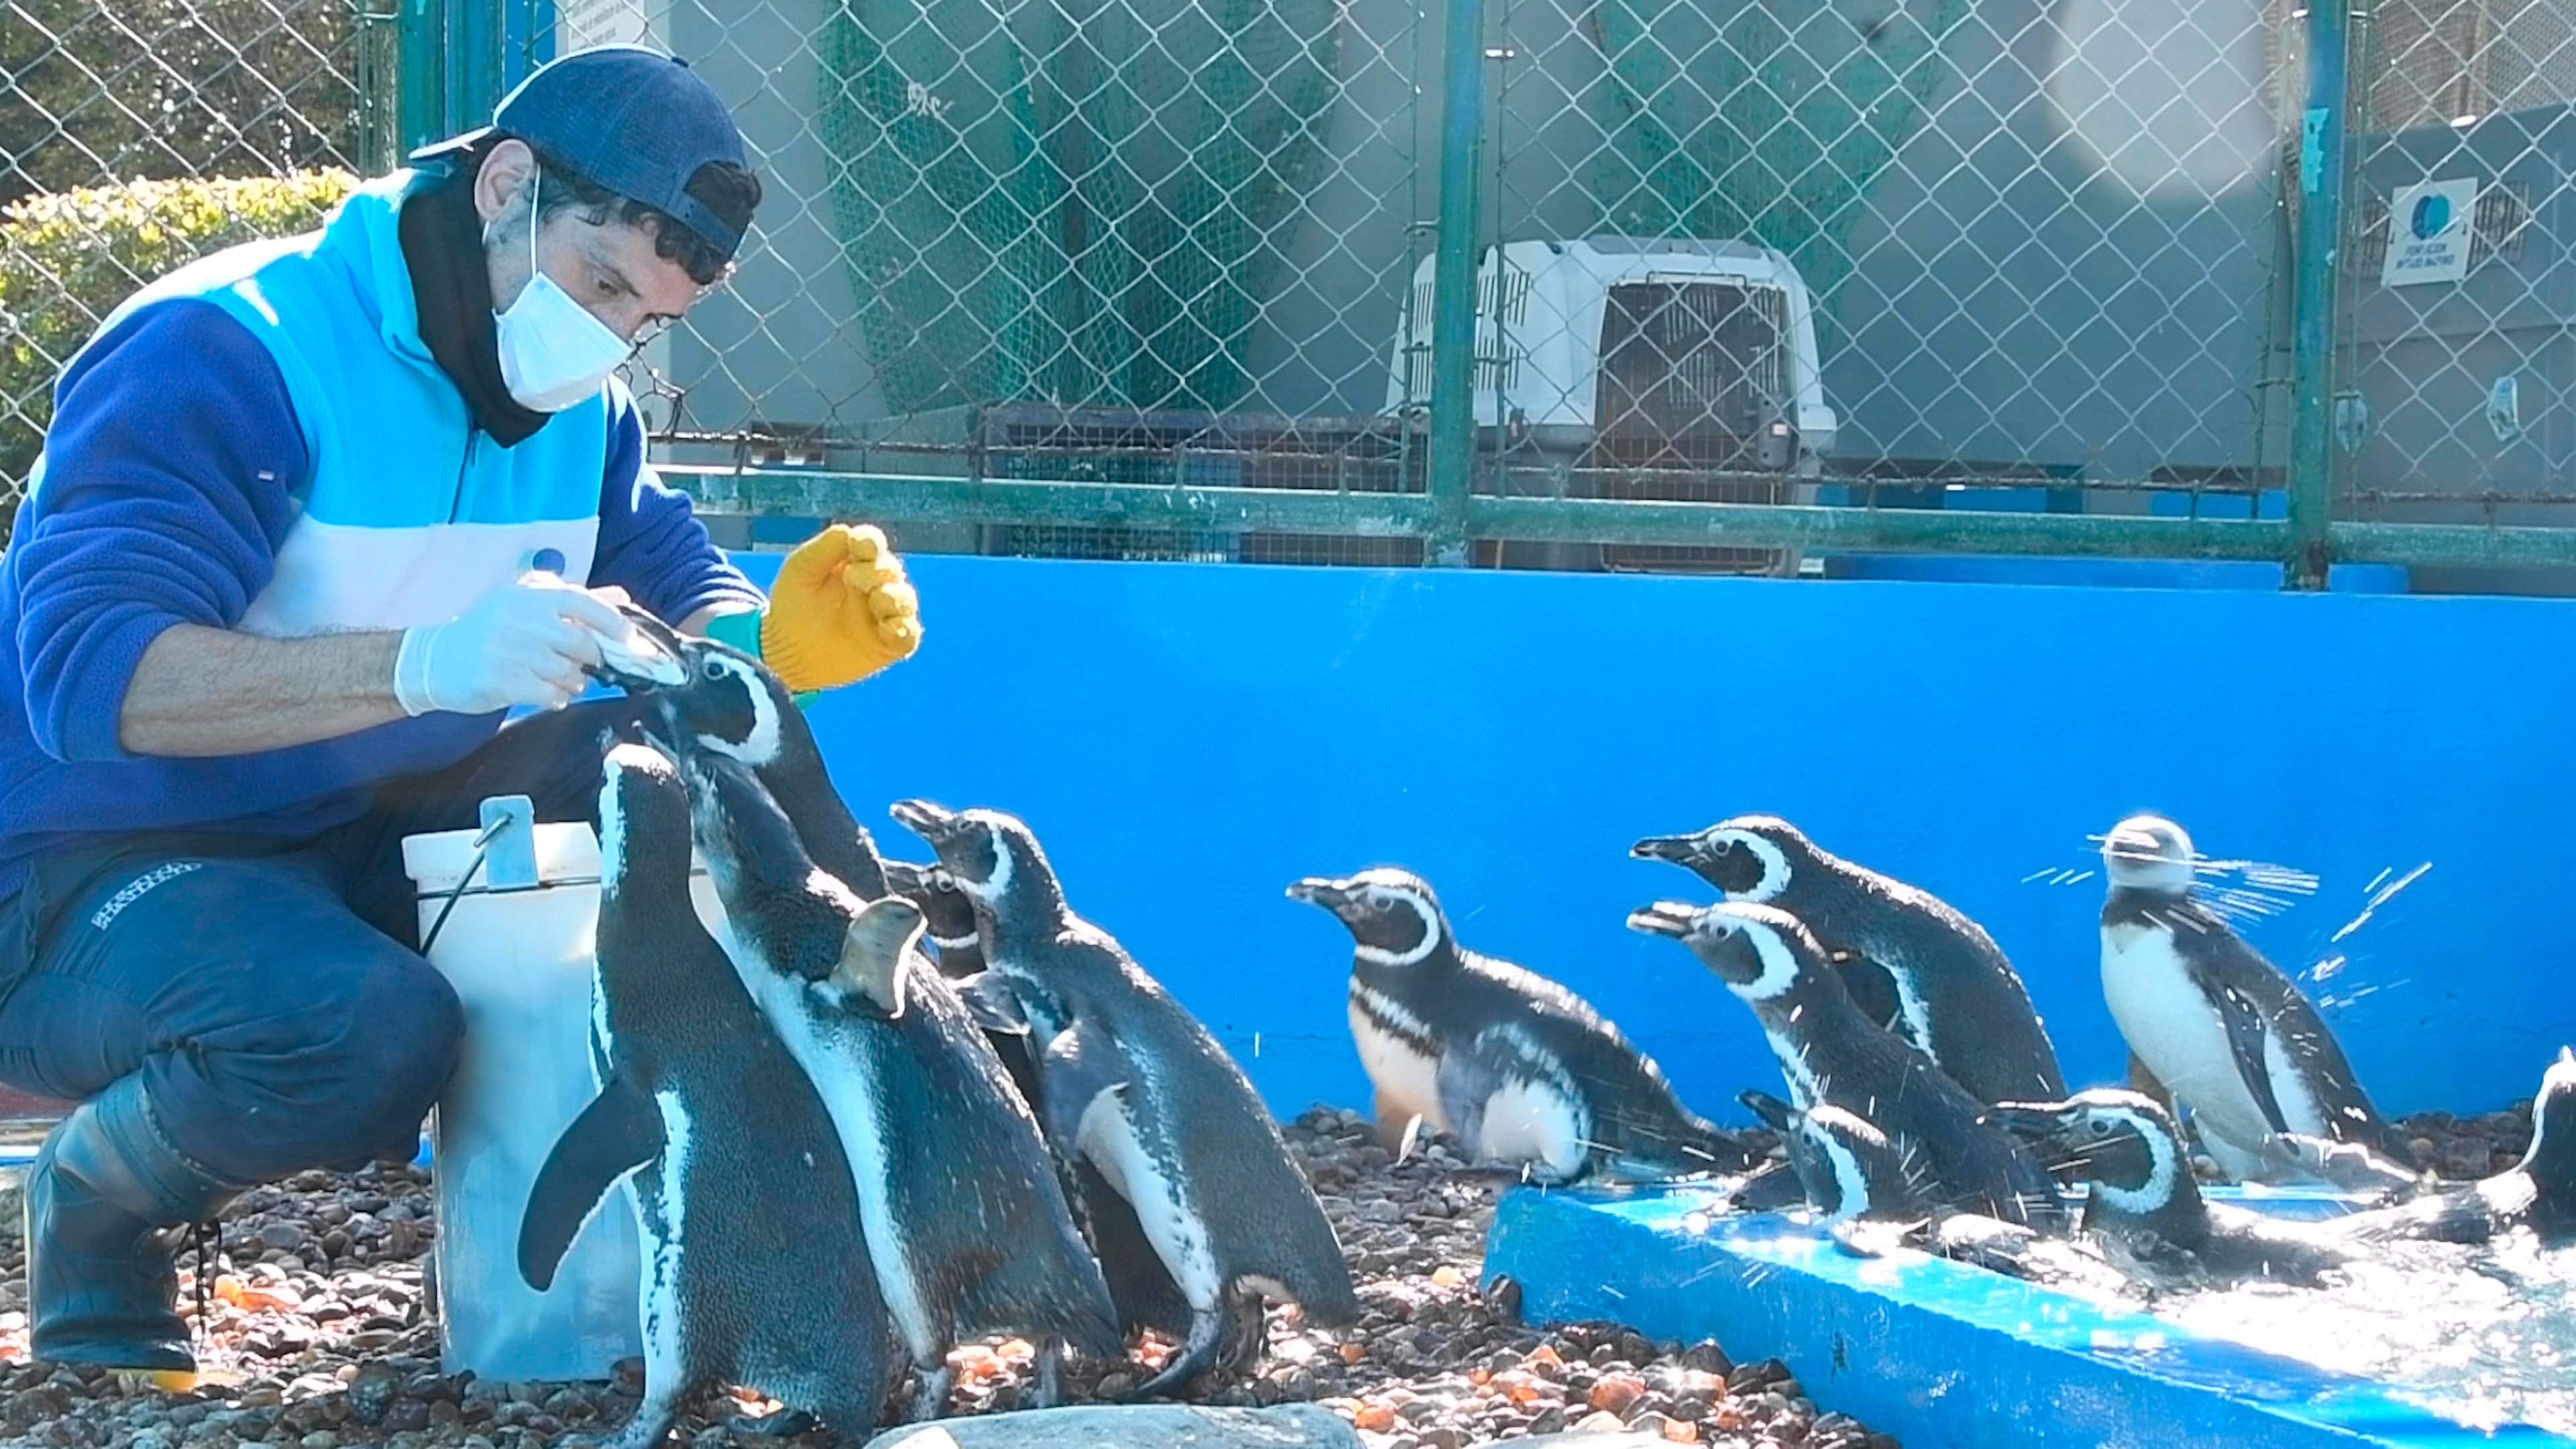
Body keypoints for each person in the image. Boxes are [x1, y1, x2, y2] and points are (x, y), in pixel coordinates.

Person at [0, 44, 921, 1374]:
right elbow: (93, 678)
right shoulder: (227, 349)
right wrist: (422, 665)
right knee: (362, 1030)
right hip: (81, 877)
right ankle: (96, 1207)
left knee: (685, 764)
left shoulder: (575, 400)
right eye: (603, 283)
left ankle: (672, 1254)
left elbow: (667, 581)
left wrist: (765, 646)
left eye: (646, 322)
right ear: (504, 186)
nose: (612, 339)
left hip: (355, 832)